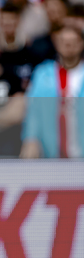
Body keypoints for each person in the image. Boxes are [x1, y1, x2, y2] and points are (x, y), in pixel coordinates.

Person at [21, 25, 84, 159]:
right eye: (63, 41)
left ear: (81, 44)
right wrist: (30, 138)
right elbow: (33, 109)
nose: (68, 45)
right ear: (56, 44)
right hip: (51, 151)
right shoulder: (43, 73)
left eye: (73, 41)